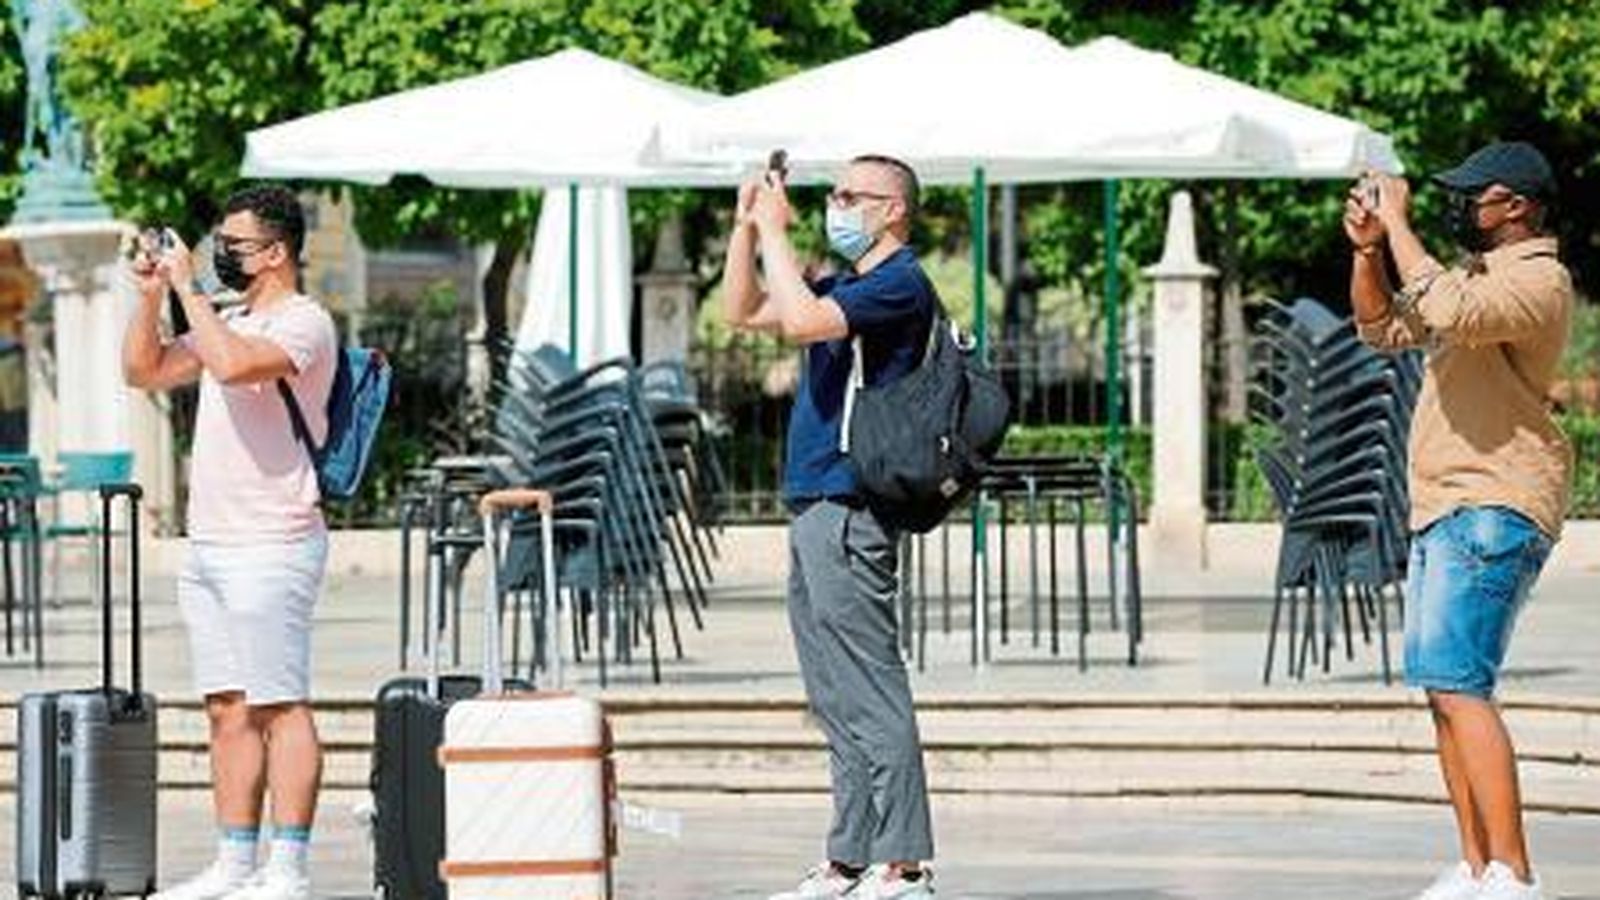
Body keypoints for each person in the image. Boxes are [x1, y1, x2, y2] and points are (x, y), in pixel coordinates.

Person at [1347, 141, 1573, 900]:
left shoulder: (1540, 280)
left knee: (1463, 687)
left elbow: (1447, 309)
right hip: (1445, 503)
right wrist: (1369, 252)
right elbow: (1381, 329)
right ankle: (1478, 869)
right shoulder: (1469, 279)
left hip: (1493, 502)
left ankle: (1515, 872)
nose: (1461, 207)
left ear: (1517, 206)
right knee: (1443, 691)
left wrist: (1403, 225)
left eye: (1476, 195)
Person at [722, 155, 938, 900]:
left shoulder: (898, 283)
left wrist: (778, 234)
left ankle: (905, 861)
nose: (836, 205)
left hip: (853, 506)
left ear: (893, 211)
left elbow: (806, 322)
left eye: (852, 196)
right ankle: (850, 858)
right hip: (814, 501)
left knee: (871, 686)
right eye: (833, 193)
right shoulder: (846, 284)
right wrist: (748, 228)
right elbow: (745, 312)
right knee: (833, 692)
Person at [123, 185, 338, 900]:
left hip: (274, 541)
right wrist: (155, 295)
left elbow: (240, 366)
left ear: (275, 252)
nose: (222, 254)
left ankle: (289, 869)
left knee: (281, 704)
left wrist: (190, 288)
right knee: (228, 708)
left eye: (235, 244)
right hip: (211, 542)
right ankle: (235, 862)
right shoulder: (233, 315)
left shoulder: (304, 322)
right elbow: (143, 370)